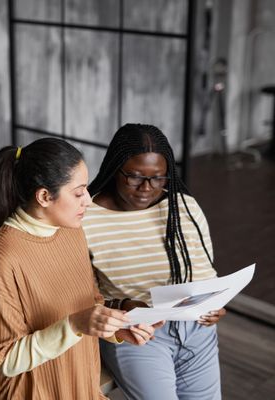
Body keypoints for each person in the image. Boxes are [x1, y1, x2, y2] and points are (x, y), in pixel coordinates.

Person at [0, 138, 161, 399]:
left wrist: (120, 320)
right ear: (45, 196)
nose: (88, 201)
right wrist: (75, 325)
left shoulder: (71, 231)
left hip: (79, 385)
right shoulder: (0, 257)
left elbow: (87, 303)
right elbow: (5, 360)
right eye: (79, 192)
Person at [83, 124, 224, 400]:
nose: (147, 189)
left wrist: (215, 305)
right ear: (115, 170)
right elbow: (80, 297)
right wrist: (121, 307)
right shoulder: (86, 218)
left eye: (158, 178)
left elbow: (207, 276)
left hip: (196, 330)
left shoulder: (182, 206)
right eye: (135, 177)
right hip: (137, 333)